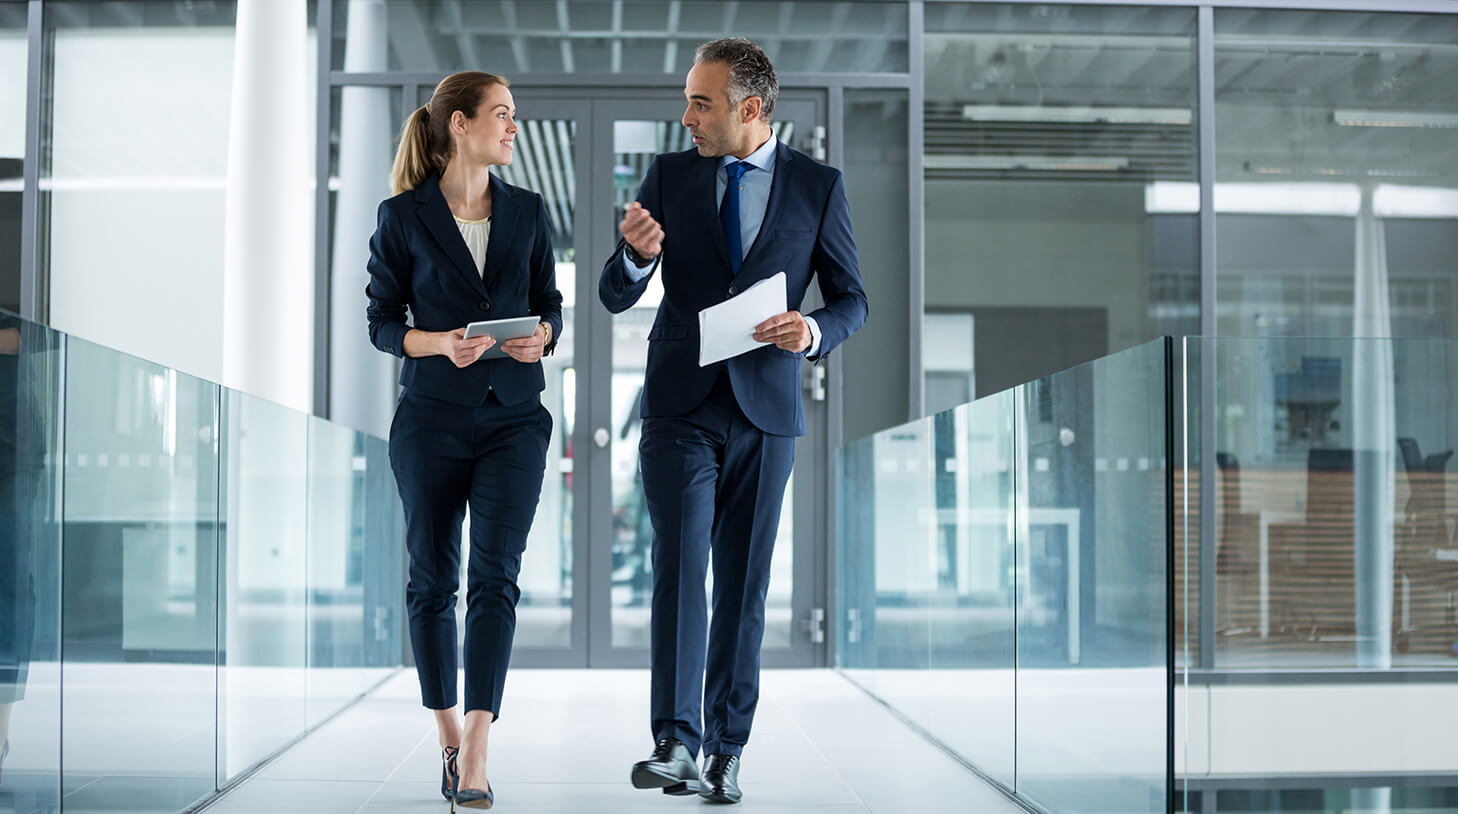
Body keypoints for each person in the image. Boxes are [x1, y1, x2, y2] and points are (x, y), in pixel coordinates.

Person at [599, 37, 868, 805]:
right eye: (688, 99)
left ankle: (727, 750)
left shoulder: (818, 187)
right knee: (680, 569)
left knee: (744, 586)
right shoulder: (669, 176)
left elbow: (853, 299)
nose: (686, 115)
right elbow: (616, 293)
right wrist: (636, 259)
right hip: (681, 404)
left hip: (766, 410)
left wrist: (810, 331)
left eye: (701, 102)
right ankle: (675, 742)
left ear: (749, 109)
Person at [366, 70, 562, 811]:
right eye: (503, 115)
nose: (514, 127)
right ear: (459, 124)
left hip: (514, 416)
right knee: (431, 580)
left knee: (496, 579)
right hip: (432, 420)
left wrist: (540, 336)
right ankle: (447, 729)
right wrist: (435, 344)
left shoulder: (530, 211)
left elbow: (549, 306)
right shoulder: (402, 216)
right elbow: (382, 321)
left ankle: (478, 745)